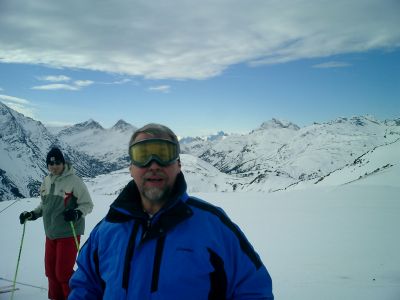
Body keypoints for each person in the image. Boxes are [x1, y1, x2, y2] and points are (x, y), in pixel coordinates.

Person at [69, 123, 274, 299]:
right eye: (143, 155)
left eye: (164, 154)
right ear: (131, 168)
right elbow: (85, 286)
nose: (154, 165)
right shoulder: (107, 230)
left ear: (178, 165)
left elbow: (253, 290)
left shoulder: (214, 227)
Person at [19, 147, 94, 300]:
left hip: (68, 232)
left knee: (63, 273)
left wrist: (77, 213)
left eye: (57, 163)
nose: (54, 167)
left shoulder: (74, 181)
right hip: (51, 233)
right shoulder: (46, 180)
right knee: (50, 272)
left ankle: (74, 297)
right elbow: (44, 204)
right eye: (50, 164)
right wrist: (32, 214)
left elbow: (87, 204)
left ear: (63, 163)